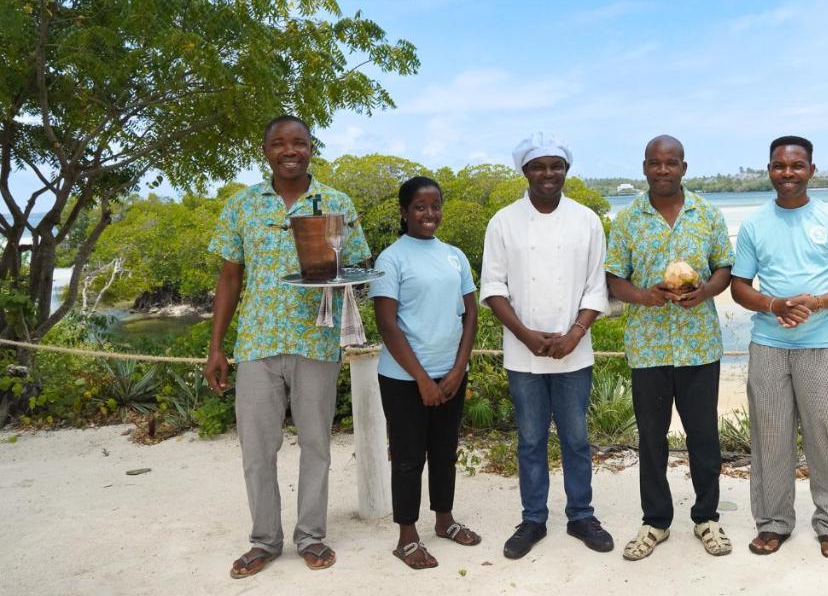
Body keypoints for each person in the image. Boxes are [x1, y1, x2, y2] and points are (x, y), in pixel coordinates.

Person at [204, 115, 371, 579]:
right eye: (279, 143)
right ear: (266, 151)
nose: (289, 150)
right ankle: (264, 540)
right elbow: (230, 277)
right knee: (257, 448)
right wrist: (216, 347)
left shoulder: (335, 202)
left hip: (316, 340)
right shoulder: (242, 205)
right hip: (257, 341)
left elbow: (357, 267)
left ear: (311, 148)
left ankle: (311, 536)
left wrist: (339, 276)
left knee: (316, 443)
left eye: (298, 142)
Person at [479, 132, 615, 559]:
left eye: (556, 166)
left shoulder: (586, 220)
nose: (548, 174)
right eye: (538, 166)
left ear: (566, 171)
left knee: (576, 438)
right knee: (531, 439)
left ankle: (581, 515)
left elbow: (597, 285)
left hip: (576, 349)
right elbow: (493, 286)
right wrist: (524, 334)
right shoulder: (503, 221)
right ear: (525, 171)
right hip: (523, 352)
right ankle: (533, 519)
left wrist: (575, 332)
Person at [729, 135, 828, 560]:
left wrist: (817, 301)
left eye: (796, 166)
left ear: (811, 169)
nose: (787, 173)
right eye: (779, 166)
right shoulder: (754, 224)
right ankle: (772, 523)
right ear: (769, 169)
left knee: (827, 438)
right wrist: (774, 305)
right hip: (768, 345)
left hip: (822, 346)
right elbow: (739, 287)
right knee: (770, 439)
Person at [605, 135, 735, 561]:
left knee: (703, 438)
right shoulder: (628, 220)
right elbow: (613, 280)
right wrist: (644, 296)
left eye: (671, 163)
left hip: (699, 346)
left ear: (684, 166)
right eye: (655, 163)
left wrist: (704, 293)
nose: (663, 170)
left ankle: (706, 518)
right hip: (648, 348)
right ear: (644, 167)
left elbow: (723, 268)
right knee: (651, 439)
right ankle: (656, 522)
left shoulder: (707, 213)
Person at [371, 176, 481, 569]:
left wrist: (458, 369)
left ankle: (445, 520)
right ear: (404, 212)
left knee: (445, 453)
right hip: (404, 379)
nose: (429, 213)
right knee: (407, 457)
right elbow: (387, 324)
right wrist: (421, 379)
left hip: (450, 373)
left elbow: (471, 314)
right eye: (420, 206)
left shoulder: (455, 255)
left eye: (435, 205)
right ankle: (407, 537)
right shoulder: (391, 258)